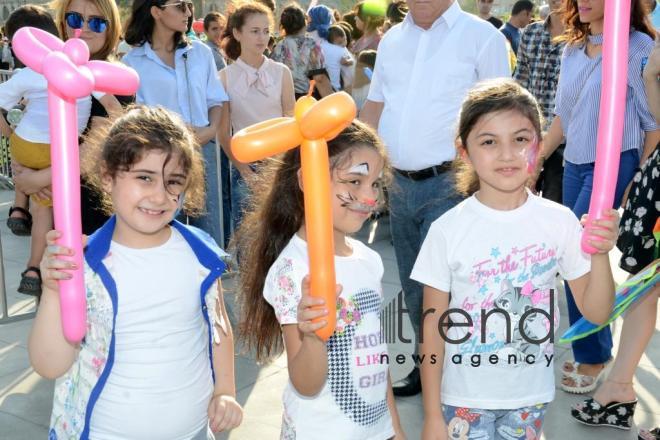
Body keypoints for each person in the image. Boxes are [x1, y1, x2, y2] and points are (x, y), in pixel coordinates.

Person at [413, 79, 618, 439]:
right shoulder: (447, 230)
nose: (507, 154)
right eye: (489, 141)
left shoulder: (560, 222)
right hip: (463, 398)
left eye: (520, 139)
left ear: (539, 145)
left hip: (531, 398)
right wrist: (432, 415)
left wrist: (599, 254)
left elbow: (598, 313)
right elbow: (432, 331)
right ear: (464, 151)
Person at [30, 106, 243, 439]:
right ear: (107, 176)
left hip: (192, 431)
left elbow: (219, 328)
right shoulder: (84, 263)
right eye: (144, 177)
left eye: (173, 181)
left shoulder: (200, 254)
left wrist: (225, 390)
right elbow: (50, 364)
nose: (159, 195)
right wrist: (53, 292)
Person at [360, 0, 510, 396]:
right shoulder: (391, 40)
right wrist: (359, 169)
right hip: (398, 185)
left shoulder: (483, 38)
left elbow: (502, 115)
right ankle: (430, 368)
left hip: (453, 183)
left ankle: (466, 373)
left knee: (453, 286)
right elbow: (376, 105)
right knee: (415, 285)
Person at [235, 121, 405, 439]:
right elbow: (306, 384)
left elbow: (376, 357)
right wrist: (313, 336)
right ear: (307, 178)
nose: (368, 197)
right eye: (354, 181)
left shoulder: (370, 262)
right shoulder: (293, 271)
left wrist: (394, 428)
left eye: (375, 184)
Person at [539, 0, 659, 394]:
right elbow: (563, 116)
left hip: (616, 162)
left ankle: (593, 355)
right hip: (573, 162)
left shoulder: (637, 46)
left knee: (579, 250)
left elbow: (653, 122)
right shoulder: (573, 47)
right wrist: (534, 159)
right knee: (574, 255)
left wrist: (639, 177)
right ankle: (591, 348)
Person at [1, 5, 93, 297]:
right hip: (60, 152)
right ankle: (33, 268)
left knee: (21, 143)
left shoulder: (29, 73)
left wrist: (10, 134)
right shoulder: (82, 69)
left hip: (28, 147)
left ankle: (18, 205)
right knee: (44, 213)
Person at [123, 0, 228, 246]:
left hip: (203, 151)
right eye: (180, 6)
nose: (189, 13)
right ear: (156, 11)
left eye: (189, 5)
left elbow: (216, 98)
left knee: (209, 234)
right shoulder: (132, 62)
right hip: (159, 158)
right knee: (163, 227)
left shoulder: (201, 53)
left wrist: (211, 129)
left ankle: (211, 284)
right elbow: (136, 115)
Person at [51, 0, 130, 236]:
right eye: (75, 18)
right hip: (58, 199)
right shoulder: (57, 71)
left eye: (96, 22)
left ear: (111, 28)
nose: (83, 28)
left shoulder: (112, 78)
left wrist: (36, 179)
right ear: (63, 22)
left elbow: (89, 155)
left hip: (93, 205)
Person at [218, 2, 295, 232]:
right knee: (247, 237)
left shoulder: (282, 72)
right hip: (244, 165)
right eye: (254, 31)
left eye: (265, 31)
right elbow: (223, 133)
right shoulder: (224, 77)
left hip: (281, 165)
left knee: (283, 234)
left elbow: (291, 121)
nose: (261, 37)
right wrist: (244, 171)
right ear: (237, 33)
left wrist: (286, 166)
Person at [514, 0, 565, 203]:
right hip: (530, 138)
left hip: (565, 143)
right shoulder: (530, 33)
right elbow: (520, 86)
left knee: (556, 208)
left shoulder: (584, 38)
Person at [271, 4, 333, 100]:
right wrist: (331, 101)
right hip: (307, 98)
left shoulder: (278, 47)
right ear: (305, 22)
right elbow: (319, 78)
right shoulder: (311, 45)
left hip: (284, 98)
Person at [322, 25, 354, 92]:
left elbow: (352, 61)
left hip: (350, 79)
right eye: (340, 42)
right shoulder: (338, 50)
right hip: (345, 79)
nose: (344, 44)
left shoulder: (343, 49)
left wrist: (348, 61)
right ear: (332, 44)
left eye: (345, 39)